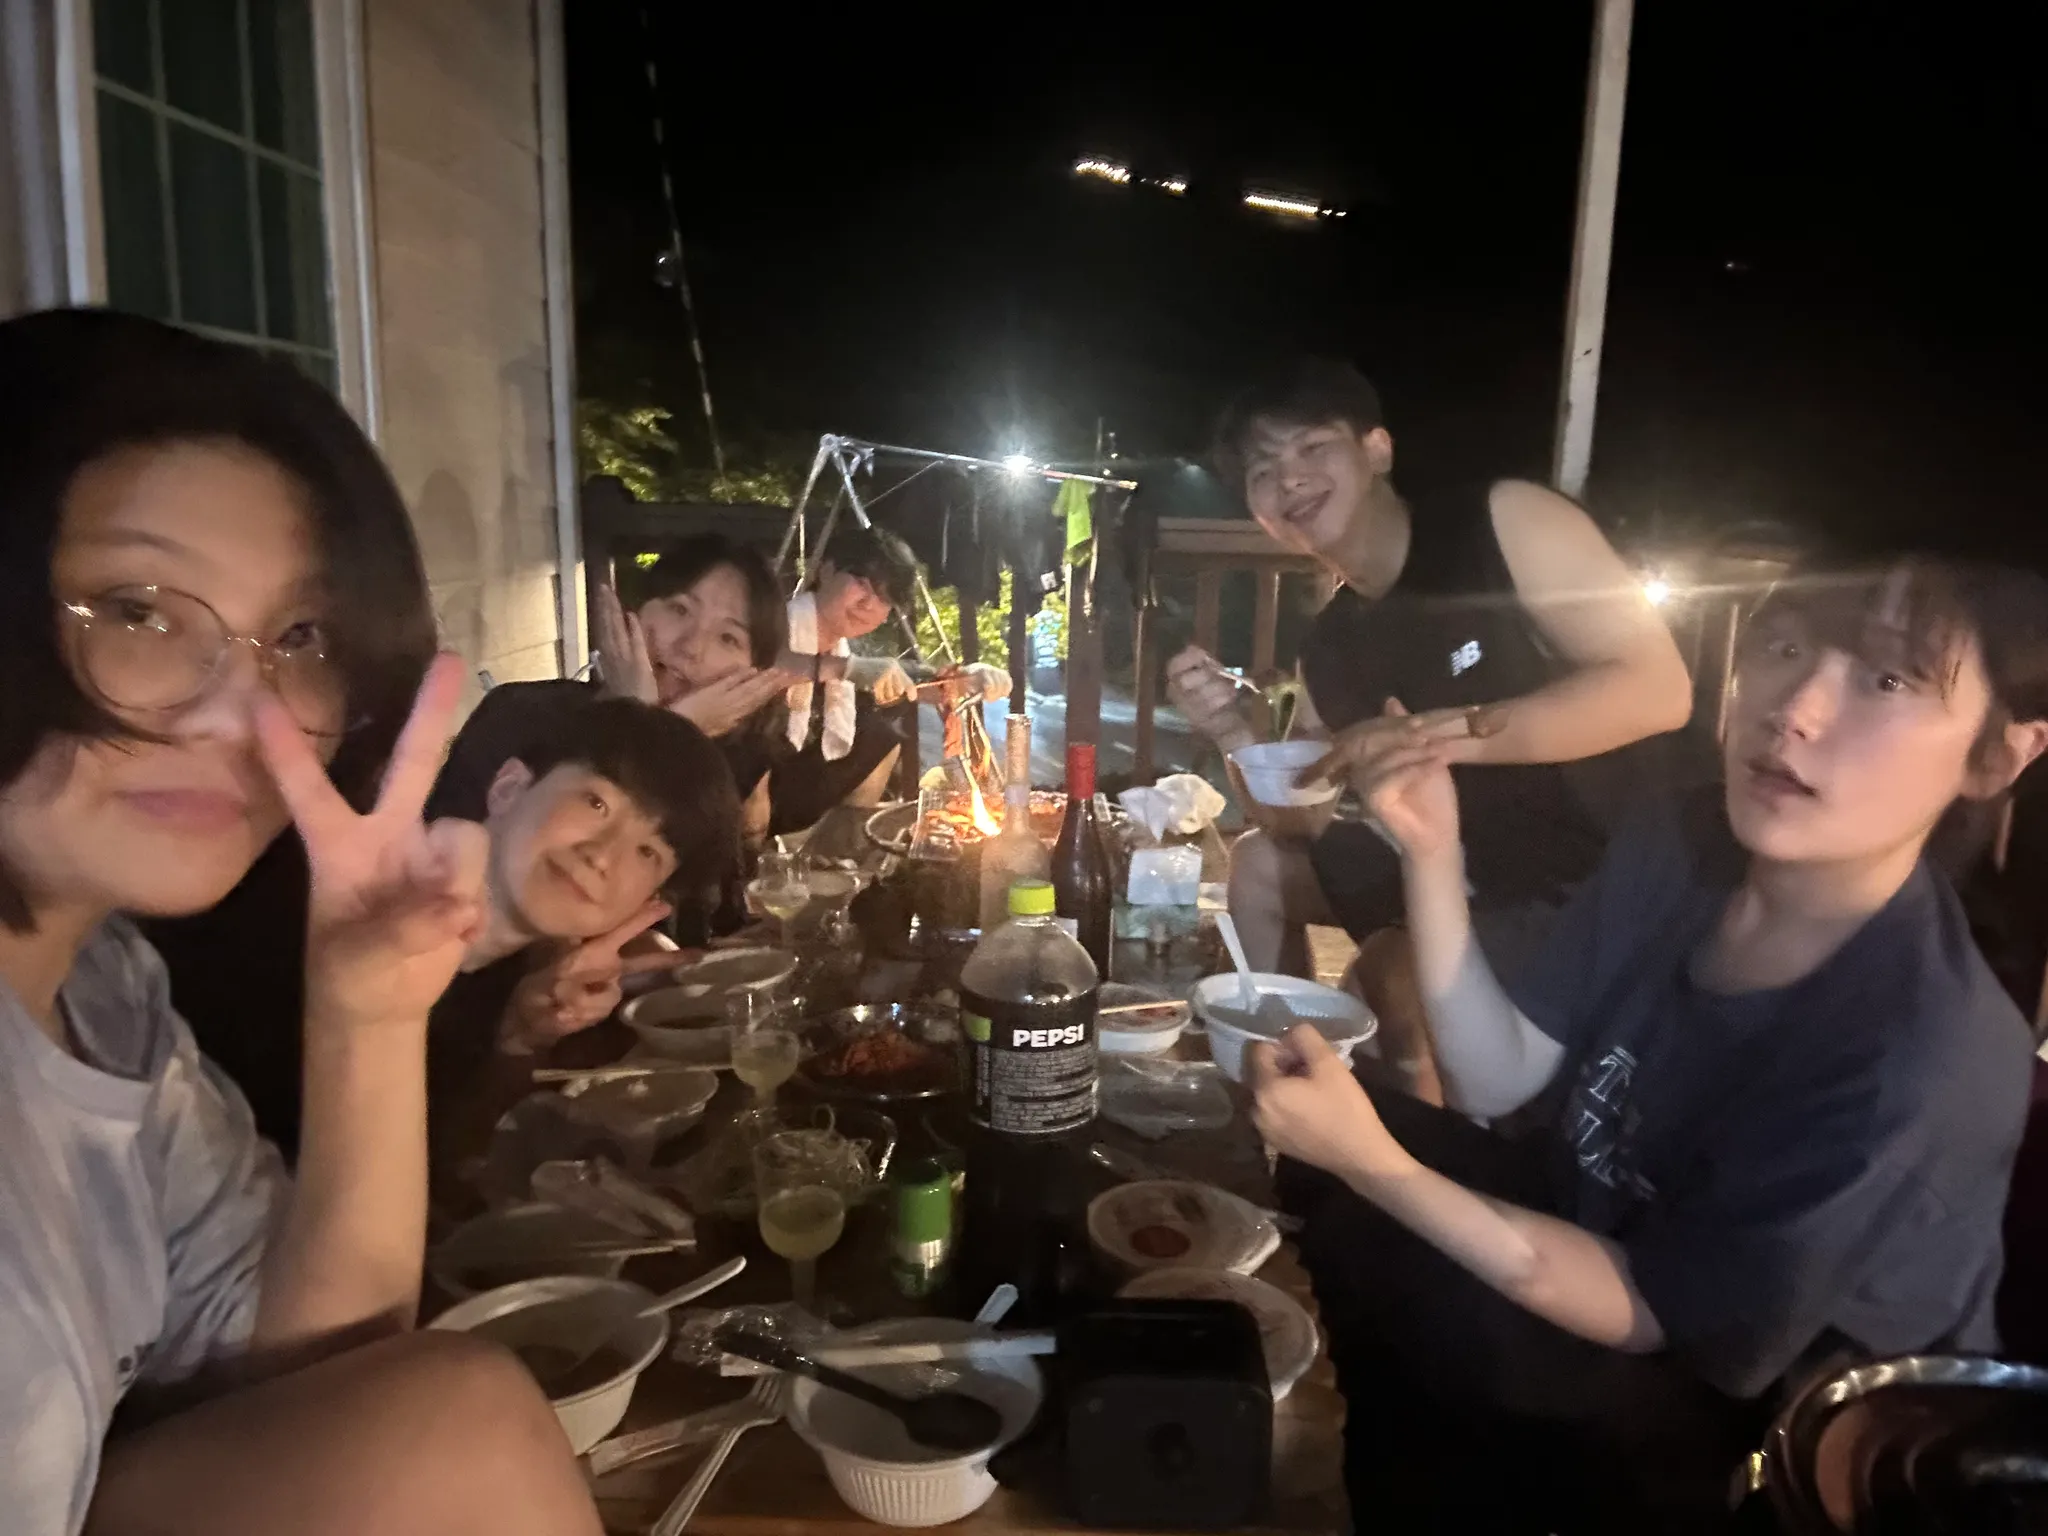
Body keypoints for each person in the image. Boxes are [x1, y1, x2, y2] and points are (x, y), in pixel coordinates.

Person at [1249, 551, 2048, 1530]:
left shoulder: (1920, 1052)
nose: (1795, 709)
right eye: (1784, 647)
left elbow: (1658, 1311)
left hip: (1762, 1430)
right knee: (1303, 1151)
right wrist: (1431, 849)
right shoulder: (1688, 837)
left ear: (1996, 756)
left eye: (1884, 680)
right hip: (1608, 1233)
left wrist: (1374, 1164)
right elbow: (1500, 1078)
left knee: (1420, 1289)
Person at [0, 309, 599, 1535]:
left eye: (300, 638)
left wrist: (368, 1013)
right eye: (136, 609)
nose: (246, 713)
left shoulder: (108, 995)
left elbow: (334, 1394)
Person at [1167, 359, 1691, 1096]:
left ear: (1377, 450)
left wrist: (1425, 735)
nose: (1289, 480)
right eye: (1262, 472)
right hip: (1457, 874)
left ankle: (1420, 1137)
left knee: (1390, 973)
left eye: (1313, 447)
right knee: (1261, 866)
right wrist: (1228, 729)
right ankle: (1279, 1088)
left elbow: (1660, 689)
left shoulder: (1501, 524)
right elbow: (1299, 817)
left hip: (1597, 876)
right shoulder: (1332, 643)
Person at [772, 522, 1007, 835]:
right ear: (825, 571)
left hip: (797, 793)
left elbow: (914, 683)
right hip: (747, 787)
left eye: (884, 599)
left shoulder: (845, 648)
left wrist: (970, 677)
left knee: (881, 733)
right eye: (861, 584)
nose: (869, 604)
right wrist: (846, 668)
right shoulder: (773, 623)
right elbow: (761, 666)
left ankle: (839, 849)